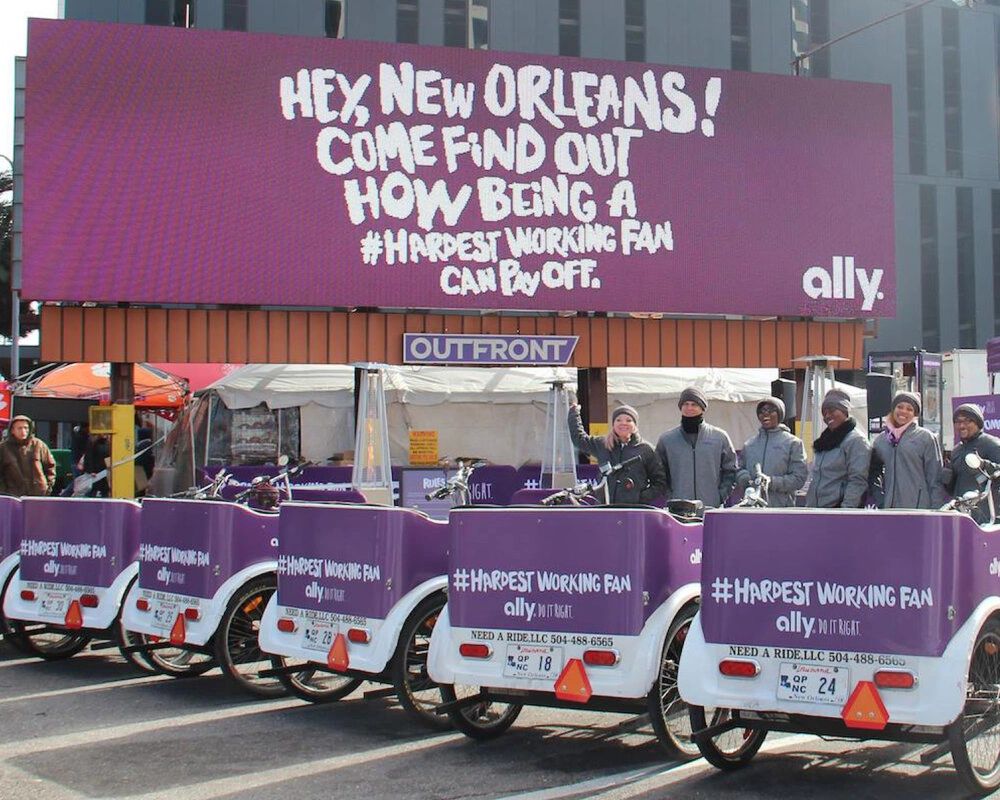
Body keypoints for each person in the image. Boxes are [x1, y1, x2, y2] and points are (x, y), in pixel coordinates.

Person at [568, 403, 666, 504]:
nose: (623, 423)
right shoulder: (602, 444)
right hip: (604, 508)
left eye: (629, 420)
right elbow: (579, 439)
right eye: (618, 420)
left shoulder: (646, 449)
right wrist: (574, 414)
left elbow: (660, 482)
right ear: (613, 424)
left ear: (635, 425)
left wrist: (640, 497)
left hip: (634, 511)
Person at [655, 387, 737, 508]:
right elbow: (659, 473)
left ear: (702, 408)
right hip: (678, 509)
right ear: (680, 407)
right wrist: (671, 497)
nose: (689, 408)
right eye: (685, 404)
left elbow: (731, 471)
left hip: (711, 507)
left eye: (694, 404)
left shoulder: (719, 437)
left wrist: (720, 496)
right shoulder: (667, 440)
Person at [868, 391, 946, 509]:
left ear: (915, 414)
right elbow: (874, 473)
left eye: (909, 409)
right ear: (893, 409)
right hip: (890, 509)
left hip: (919, 510)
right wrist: (880, 498)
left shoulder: (925, 438)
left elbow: (935, 477)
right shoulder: (881, 440)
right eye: (900, 407)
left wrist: (937, 510)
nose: (903, 411)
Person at [735, 397, 807, 507]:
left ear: (780, 414)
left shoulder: (793, 443)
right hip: (753, 509)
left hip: (781, 510)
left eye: (770, 410)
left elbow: (799, 478)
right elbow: (738, 469)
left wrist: (771, 482)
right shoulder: (749, 445)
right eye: (761, 411)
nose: (765, 414)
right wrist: (745, 479)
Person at [805, 389, 871, 508]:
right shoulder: (824, 442)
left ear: (845, 411)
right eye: (824, 413)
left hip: (838, 511)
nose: (827, 416)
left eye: (831, 411)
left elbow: (858, 480)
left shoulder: (856, 441)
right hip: (817, 510)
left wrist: (845, 511)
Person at [940, 403, 1000, 524]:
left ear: (978, 423)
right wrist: (948, 480)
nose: (962, 425)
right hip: (962, 515)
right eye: (958, 421)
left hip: (988, 516)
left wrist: (984, 465)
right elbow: (952, 488)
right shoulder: (956, 450)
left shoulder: (991, 444)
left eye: (968, 421)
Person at [0, 415, 56, 497]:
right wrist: (4, 491)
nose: (23, 431)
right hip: (12, 496)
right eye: (19, 428)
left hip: (38, 495)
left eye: (26, 428)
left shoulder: (39, 445)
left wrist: (47, 486)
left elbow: (50, 467)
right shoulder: (3, 448)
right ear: (12, 430)